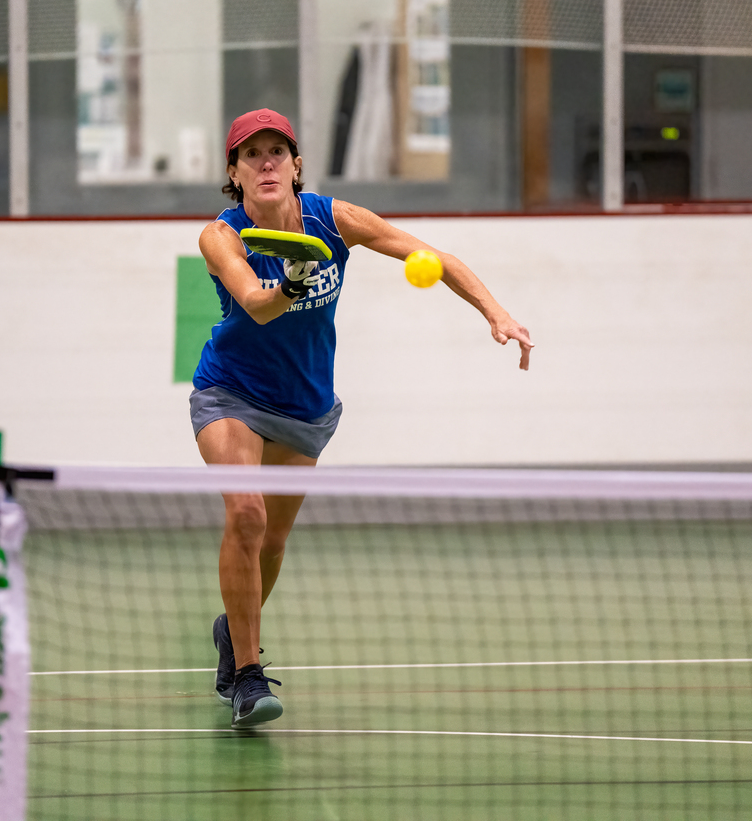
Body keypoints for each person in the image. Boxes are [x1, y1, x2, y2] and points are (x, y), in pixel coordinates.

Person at [191, 108, 534, 728]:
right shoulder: (222, 236)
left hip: (305, 406)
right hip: (231, 393)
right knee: (247, 512)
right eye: (251, 155)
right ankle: (245, 675)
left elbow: (434, 255)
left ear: (296, 167)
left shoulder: (333, 219)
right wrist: (294, 281)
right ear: (234, 175)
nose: (266, 162)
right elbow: (256, 305)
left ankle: (232, 627)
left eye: (277, 152)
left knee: (272, 543)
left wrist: (496, 312)